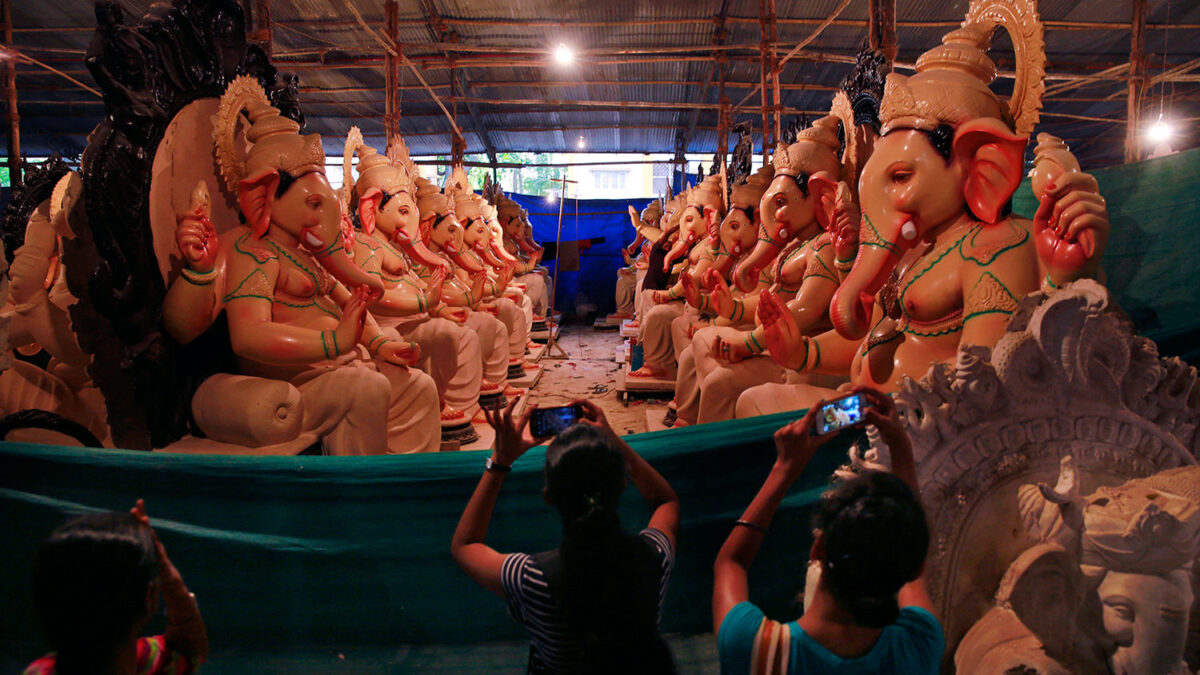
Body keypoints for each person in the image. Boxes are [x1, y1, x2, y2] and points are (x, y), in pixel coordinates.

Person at [713, 388, 943, 674]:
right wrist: (899, 444)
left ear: (818, 548)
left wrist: (784, 467)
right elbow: (910, 555)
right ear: (913, 564)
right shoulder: (919, 646)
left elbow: (729, 562)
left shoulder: (755, 649)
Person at [451, 397, 680, 674]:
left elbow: (465, 545)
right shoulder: (654, 557)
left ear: (548, 497)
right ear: (621, 483)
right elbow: (666, 502)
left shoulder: (530, 577)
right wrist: (613, 441)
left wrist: (501, 461)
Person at [26, 500, 209, 675]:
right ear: (149, 596)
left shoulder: (42, 669)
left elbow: (189, 653)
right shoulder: (139, 664)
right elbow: (190, 653)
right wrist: (164, 566)